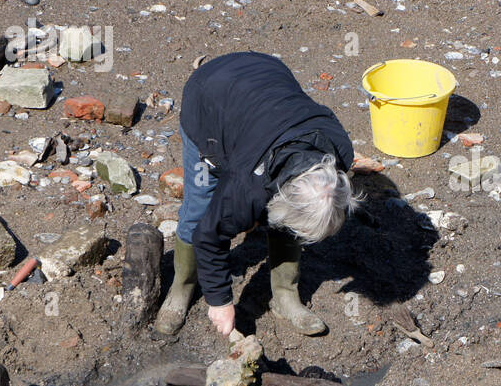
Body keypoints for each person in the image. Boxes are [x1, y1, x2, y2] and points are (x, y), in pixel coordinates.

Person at [154, 51, 359, 338]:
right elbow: (209, 233)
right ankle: (183, 287)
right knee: (200, 207)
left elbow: (305, 206)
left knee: (290, 218)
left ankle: (285, 296)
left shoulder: (337, 152)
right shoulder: (245, 187)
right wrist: (220, 302)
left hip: (265, 83)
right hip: (209, 98)